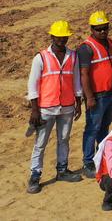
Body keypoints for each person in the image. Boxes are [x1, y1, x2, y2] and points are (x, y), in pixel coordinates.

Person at [26, 21, 83, 194]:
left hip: (66, 106)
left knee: (64, 139)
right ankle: (35, 175)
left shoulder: (73, 56)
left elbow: (76, 80)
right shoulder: (41, 57)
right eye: (58, 37)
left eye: (65, 37)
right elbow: (32, 85)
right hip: (46, 108)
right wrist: (35, 109)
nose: (62, 40)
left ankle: (62, 170)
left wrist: (78, 101)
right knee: (40, 143)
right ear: (52, 37)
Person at [79, 11, 112, 177]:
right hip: (97, 96)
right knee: (92, 129)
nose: (102, 31)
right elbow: (84, 74)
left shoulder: (109, 42)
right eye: (99, 29)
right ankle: (88, 162)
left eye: (105, 28)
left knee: (104, 127)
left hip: (109, 93)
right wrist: (89, 97)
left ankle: (100, 156)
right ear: (92, 29)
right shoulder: (86, 48)